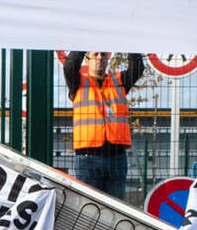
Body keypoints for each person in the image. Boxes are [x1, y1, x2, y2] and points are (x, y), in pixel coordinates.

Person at [61, 49, 145, 201]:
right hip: (87, 160)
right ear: (86, 60)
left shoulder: (119, 81)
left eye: (103, 55)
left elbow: (137, 68)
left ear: (108, 59)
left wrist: (130, 44)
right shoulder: (78, 82)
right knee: (88, 208)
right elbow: (70, 66)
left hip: (116, 158)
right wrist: (83, 42)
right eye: (95, 55)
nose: (100, 58)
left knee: (115, 209)